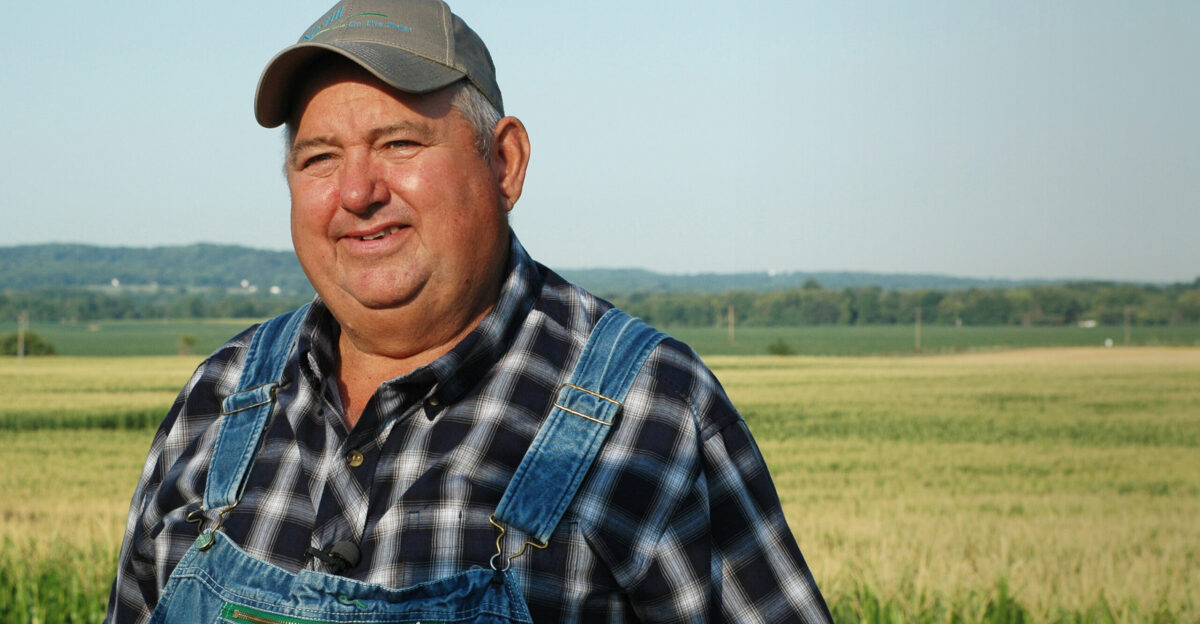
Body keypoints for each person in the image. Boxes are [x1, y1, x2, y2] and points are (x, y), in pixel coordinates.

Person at [105, 1, 833, 622]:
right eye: (319, 157)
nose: (356, 192)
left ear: (505, 162)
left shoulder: (650, 411)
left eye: (398, 143)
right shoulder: (222, 396)